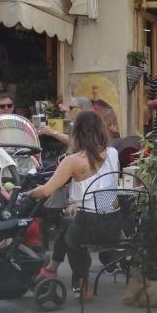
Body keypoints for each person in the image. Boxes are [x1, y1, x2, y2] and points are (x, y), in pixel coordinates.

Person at [28, 111, 121, 300]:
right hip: (113, 224)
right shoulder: (113, 153)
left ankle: (82, 282)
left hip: (89, 226)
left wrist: (27, 193)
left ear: (76, 133)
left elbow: (46, 191)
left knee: (72, 235)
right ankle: (53, 267)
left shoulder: (72, 161)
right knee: (68, 223)